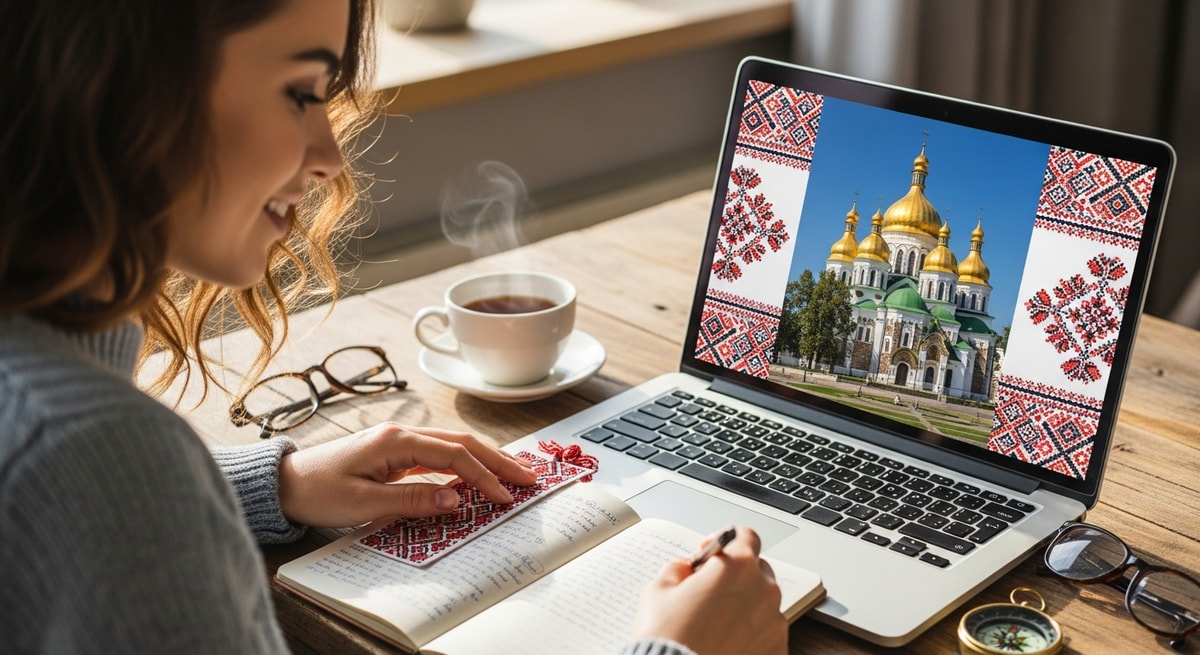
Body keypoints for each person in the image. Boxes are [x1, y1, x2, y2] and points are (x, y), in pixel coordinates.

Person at [0, 1, 787, 654]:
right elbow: (88, 486)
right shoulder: (96, 456)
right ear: (130, 82)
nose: (331, 158)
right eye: (302, 91)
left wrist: (265, 484)